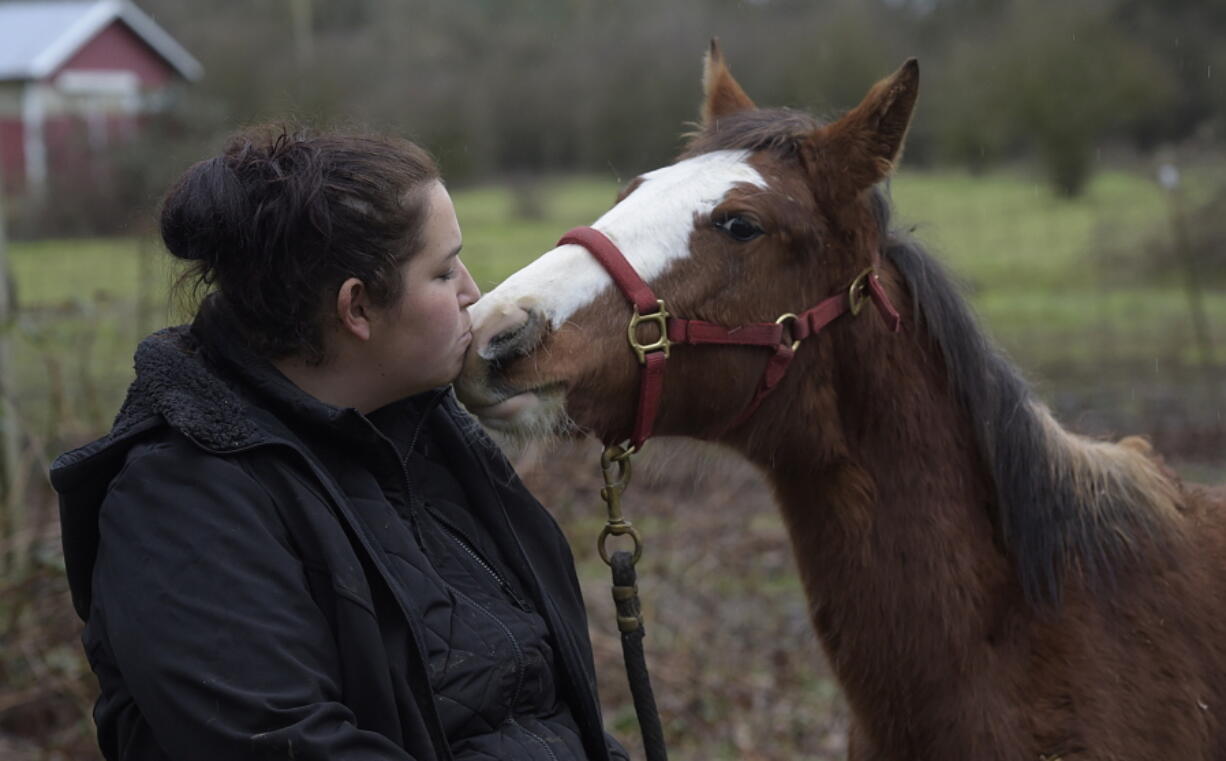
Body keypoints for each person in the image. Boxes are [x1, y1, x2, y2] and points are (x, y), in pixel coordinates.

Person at [50, 126, 630, 761]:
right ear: (356, 309)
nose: (472, 290)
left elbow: (542, 702)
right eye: (443, 272)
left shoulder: (427, 430)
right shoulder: (180, 507)